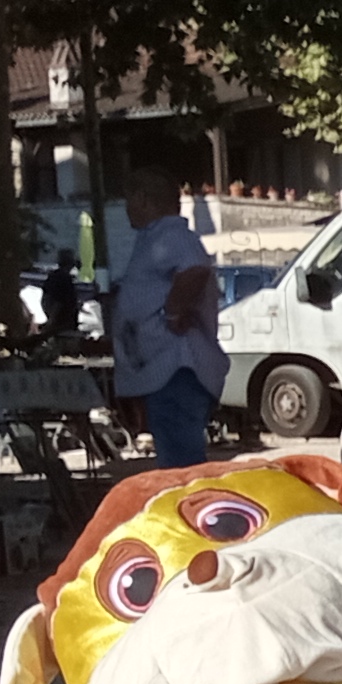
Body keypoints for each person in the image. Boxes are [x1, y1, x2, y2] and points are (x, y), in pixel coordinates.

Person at [109, 171, 227, 467]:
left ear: (143, 200)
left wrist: (172, 313)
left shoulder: (170, 234)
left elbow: (195, 270)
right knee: (175, 459)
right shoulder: (157, 237)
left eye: (128, 200)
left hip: (175, 370)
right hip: (167, 372)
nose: (126, 209)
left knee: (181, 465)